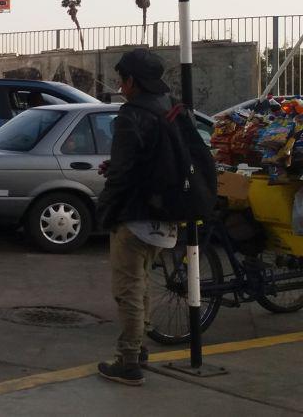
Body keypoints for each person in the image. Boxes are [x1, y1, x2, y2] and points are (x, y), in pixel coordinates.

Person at [95, 49, 179, 386]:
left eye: (121, 78)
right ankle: (140, 346)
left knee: (127, 289)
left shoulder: (131, 115)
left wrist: (106, 210)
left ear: (132, 81)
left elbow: (124, 173)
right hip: (165, 214)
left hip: (135, 215)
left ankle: (128, 361)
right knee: (141, 282)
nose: (120, 85)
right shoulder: (168, 108)